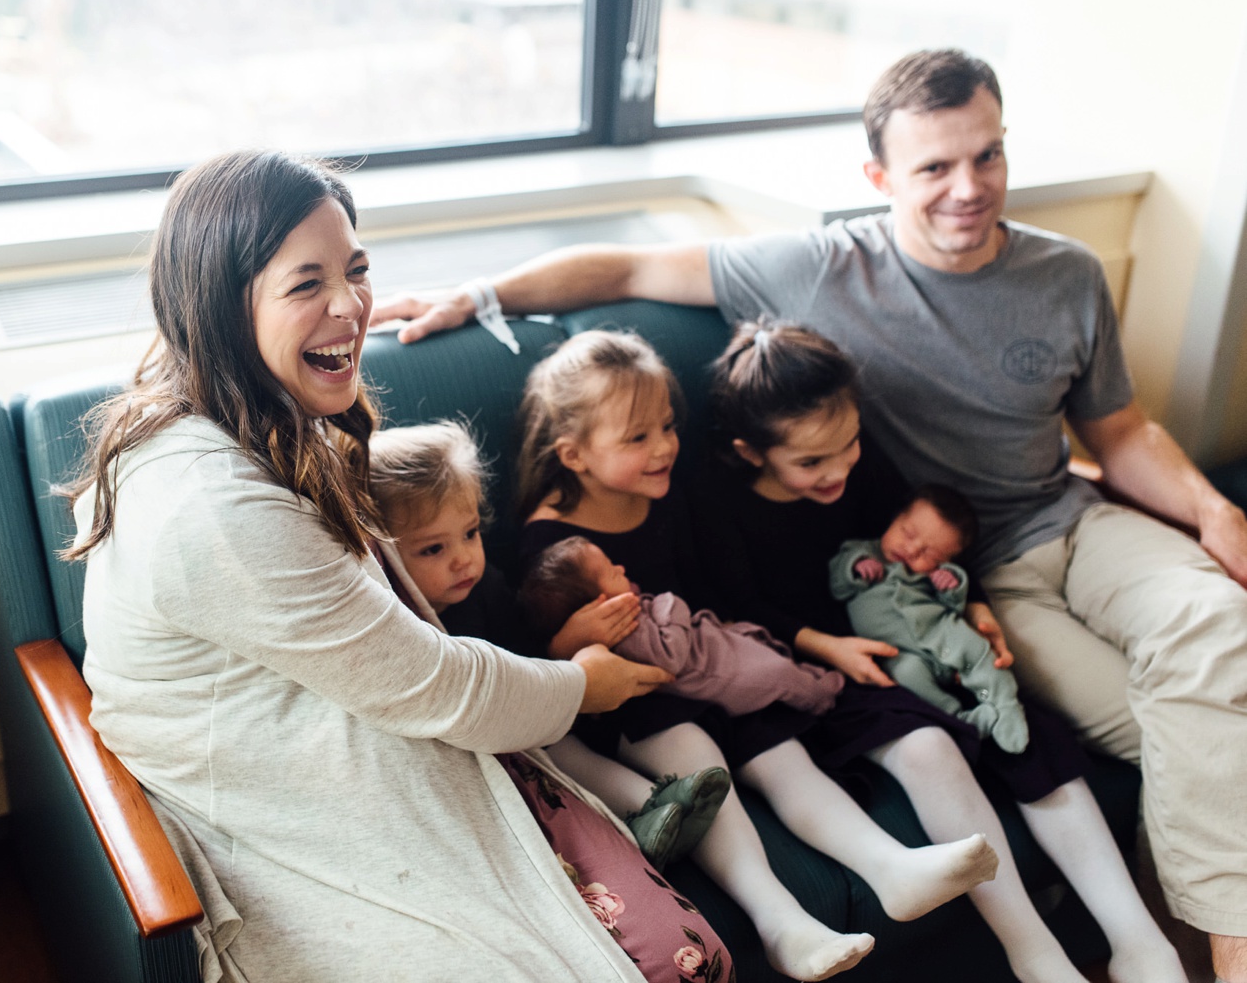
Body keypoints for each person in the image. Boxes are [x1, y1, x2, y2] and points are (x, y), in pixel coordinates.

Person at [370, 47, 1247, 981]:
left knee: (1217, 636)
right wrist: (485, 293)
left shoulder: (1065, 272)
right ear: (879, 179)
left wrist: (1211, 509)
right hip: (978, 573)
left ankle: (1216, 947)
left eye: (987, 156)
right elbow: (628, 263)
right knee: (1186, 720)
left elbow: (1119, 429)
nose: (969, 188)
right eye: (936, 167)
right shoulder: (822, 268)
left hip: (1075, 518)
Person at [60, 149, 743, 982]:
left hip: (365, 728)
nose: (351, 306)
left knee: (686, 955)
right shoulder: (212, 502)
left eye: (356, 270)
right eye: (306, 283)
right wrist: (582, 686)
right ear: (221, 305)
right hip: (279, 801)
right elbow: (440, 687)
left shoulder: (260, 417)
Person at [695, 320, 1186, 983]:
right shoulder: (720, 503)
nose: (839, 468)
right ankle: (1033, 950)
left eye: (848, 445)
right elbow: (737, 605)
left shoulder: (861, 465)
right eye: (811, 462)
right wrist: (827, 646)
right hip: (820, 663)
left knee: (1023, 731)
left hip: (916, 629)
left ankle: (1138, 939)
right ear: (751, 452)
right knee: (927, 747)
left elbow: (928, 535)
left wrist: (976, 604)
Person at [514, 328, 1002, 982]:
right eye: (638, 438)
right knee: (698, 754)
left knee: (782, 750)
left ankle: (890, 867)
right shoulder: (546, 543)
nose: (664, 447)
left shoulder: (670, 492)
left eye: (666, 426)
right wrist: (576, 639)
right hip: (634, 698)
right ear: (573, 454)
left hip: (706, 666)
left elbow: (715, 595)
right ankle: (781, 923)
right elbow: (537, 656)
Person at [366, 419, 732, 871]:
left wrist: (567, 645)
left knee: (561, 741)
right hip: (476, 747)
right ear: (381, 556)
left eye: (470, 533)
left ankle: (661, 808)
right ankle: (642, 808)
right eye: (432, 550)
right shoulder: (403, 623)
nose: (463, 559)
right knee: (555, 755)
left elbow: (531, 657)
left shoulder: (488, 586)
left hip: (529, 713)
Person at [521, 535, 845, 717]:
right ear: (602, 605)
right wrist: (672, 604)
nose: (621, 567)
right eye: (612, 572)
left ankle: (811, 677)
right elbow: (669, 657)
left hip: (721, 648)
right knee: (780, 676)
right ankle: (824, 698)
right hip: (722, 675)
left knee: (771, 652)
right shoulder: (625, 636)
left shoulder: (633, 615)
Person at [830, 484, 1030, 753]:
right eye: (908, 533)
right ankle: (960, 718)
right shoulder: (861, 552)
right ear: (895, 518)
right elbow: (837, 584)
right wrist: (856, 567)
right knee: (907, 676)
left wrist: (951, 584)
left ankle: (1004, 703)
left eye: (929, 554)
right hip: (901, 653)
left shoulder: (933, 575)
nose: (911, 550)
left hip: (942, 631)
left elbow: (955, 606)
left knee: (979, 650)